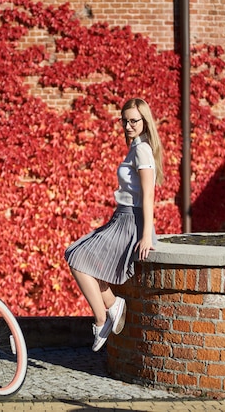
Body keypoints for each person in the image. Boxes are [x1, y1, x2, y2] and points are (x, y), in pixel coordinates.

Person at [65, 98, 164, 351]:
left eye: (134, 121)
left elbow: (148, 194)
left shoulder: (142, 150)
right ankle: (112, 304)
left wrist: (146, 236)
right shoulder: (135, 148)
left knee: (78, 258)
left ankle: (101, 318)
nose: (128, 125)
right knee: (76, 253)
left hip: (132, 220)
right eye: (125, 121)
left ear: (144, 121)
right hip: (121, 216)